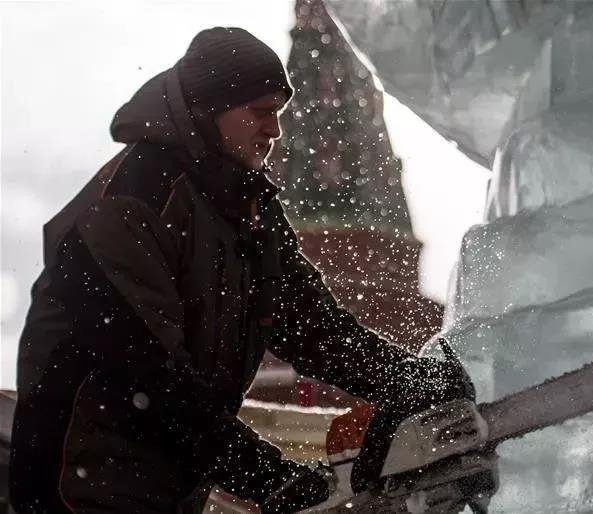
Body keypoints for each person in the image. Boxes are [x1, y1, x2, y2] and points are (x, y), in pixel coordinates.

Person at [10, 27, 471, 513]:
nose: (274, 129)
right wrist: (266, 474)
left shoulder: (247, 209)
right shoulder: (133, 200)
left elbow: (311, 325)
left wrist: (407, 381)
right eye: (260, 112)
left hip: (165, 484)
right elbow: (147, 374)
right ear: (209, 108)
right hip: (79, 481)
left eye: (278, 113)